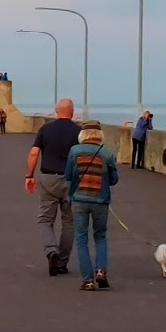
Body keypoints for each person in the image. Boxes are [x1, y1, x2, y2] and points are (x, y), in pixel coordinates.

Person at [24, 98, 80, 276]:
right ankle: (62, 262)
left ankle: (51, 250)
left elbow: (34, 152)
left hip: (48, 178)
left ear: (56, 111)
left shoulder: (46, 129)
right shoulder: (78, 131)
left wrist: (29, 176)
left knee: (45, 219)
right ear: (71, 112)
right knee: (69, 223)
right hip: (71, 180)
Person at [64, 120, 118, 291]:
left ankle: (88, 280)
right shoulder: (107, 154)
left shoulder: (74, 151)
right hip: (100, 201)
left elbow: (67, 175)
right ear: (100, 135)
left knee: (81, 239)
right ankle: (101, 270)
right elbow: (114, 179)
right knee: (100, 237)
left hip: (79, 200)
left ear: (83, 135)